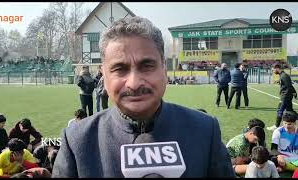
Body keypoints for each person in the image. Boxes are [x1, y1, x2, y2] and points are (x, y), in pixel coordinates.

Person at [52, 16, 234, 178]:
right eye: (119, 69)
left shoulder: (205, 130)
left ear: (164, 69)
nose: (134, 83)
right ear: (105, 77)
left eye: (147, 66)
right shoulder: (77, 140)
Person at [267, 63, 297, 131]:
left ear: (277, 68)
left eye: (273, 70)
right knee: (290, 111)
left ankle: (276, 126)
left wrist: (294, 93)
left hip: (285, 96)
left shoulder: (284, 75)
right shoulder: (282, 75)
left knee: (280, 110)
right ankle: (276, 125)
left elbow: (289, 86)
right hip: (286, 96)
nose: (273, 71)